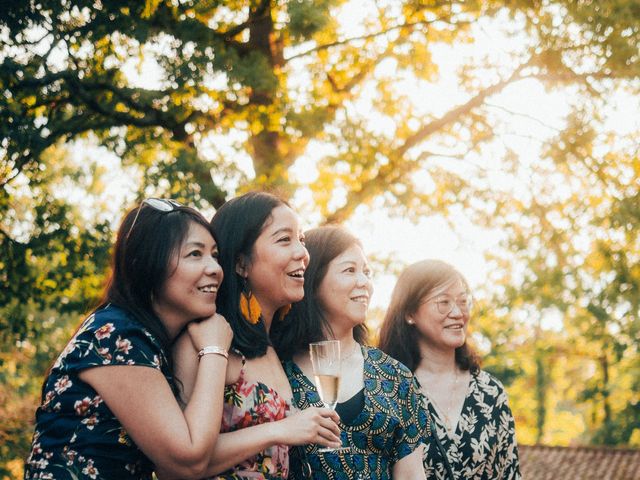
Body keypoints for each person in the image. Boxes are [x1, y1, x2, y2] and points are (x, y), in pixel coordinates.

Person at [24, 198, 234, 480]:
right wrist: (214, 349)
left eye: (215, 255)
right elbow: (188, 461)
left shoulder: (149, 341)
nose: (214, 269)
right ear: (147, 263)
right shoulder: (115, 334)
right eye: (195, 254)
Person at [173, 192, 341, 479]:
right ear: (241, 264)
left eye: (301, 239)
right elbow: (177, 465)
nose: (302, 252)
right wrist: (282, 429)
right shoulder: (202, 340)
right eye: (284, 239)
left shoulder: (275, 347)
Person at [273, 225, 427, 480]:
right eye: (350, 270)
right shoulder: (277, 369)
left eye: (367, 272)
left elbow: (411, 475)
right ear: (312, 279)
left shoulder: (395, 377)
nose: (364, 283)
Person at [379, 259, 521, 480]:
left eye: (463, 301)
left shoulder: (491, 393)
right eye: (443, 302)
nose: (457, 312)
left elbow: (510, 474)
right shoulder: (390, 392)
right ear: (409, 313)